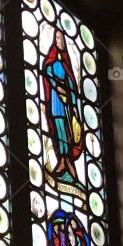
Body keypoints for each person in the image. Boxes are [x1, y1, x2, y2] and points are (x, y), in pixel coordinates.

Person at [42, 28, 83, 183]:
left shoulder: (66, 62)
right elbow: (47, 74)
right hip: (54, 100)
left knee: (66, 130)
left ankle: (68, 161)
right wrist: (56, 86)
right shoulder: (50, 61)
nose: (59, 41)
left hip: (65, 101)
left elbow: (71, 84)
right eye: (57, 38)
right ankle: (61, 161)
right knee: (57, 128)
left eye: (61, 38)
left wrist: (73, 105)